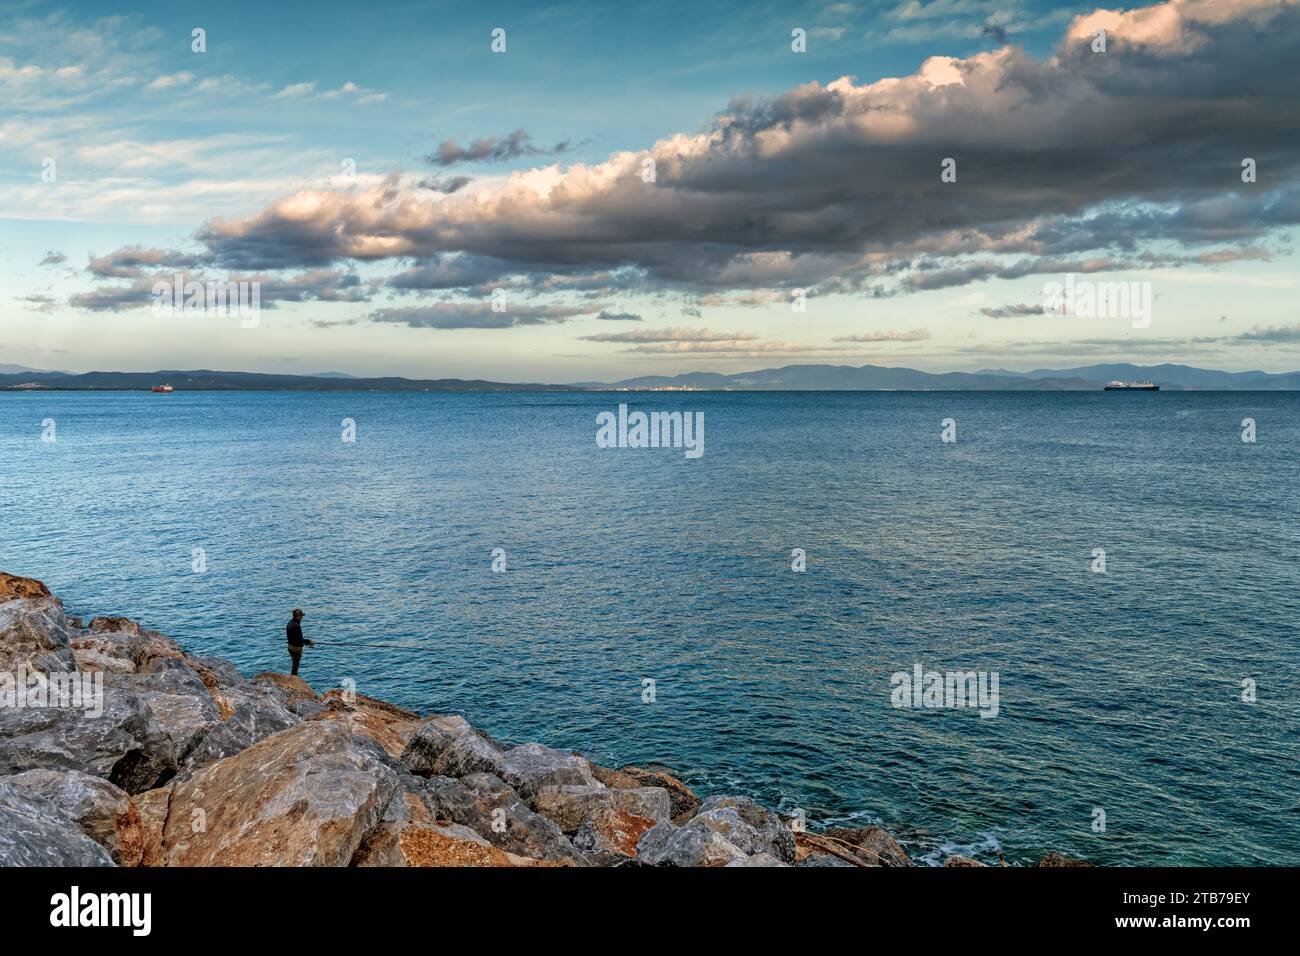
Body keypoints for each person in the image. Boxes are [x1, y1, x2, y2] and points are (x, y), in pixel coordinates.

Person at [286, 608, 314, 676]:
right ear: (297, 616)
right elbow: (299, 639)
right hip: (296, 648)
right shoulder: (297, 626)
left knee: (294, 664)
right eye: (301, 616)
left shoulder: (290, 623)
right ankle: (294, 680)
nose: (302, 618)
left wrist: (305, 642)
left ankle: (293, 677)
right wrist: (309, 641)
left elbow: (294, 638)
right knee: (296, 666)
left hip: (290, 647)